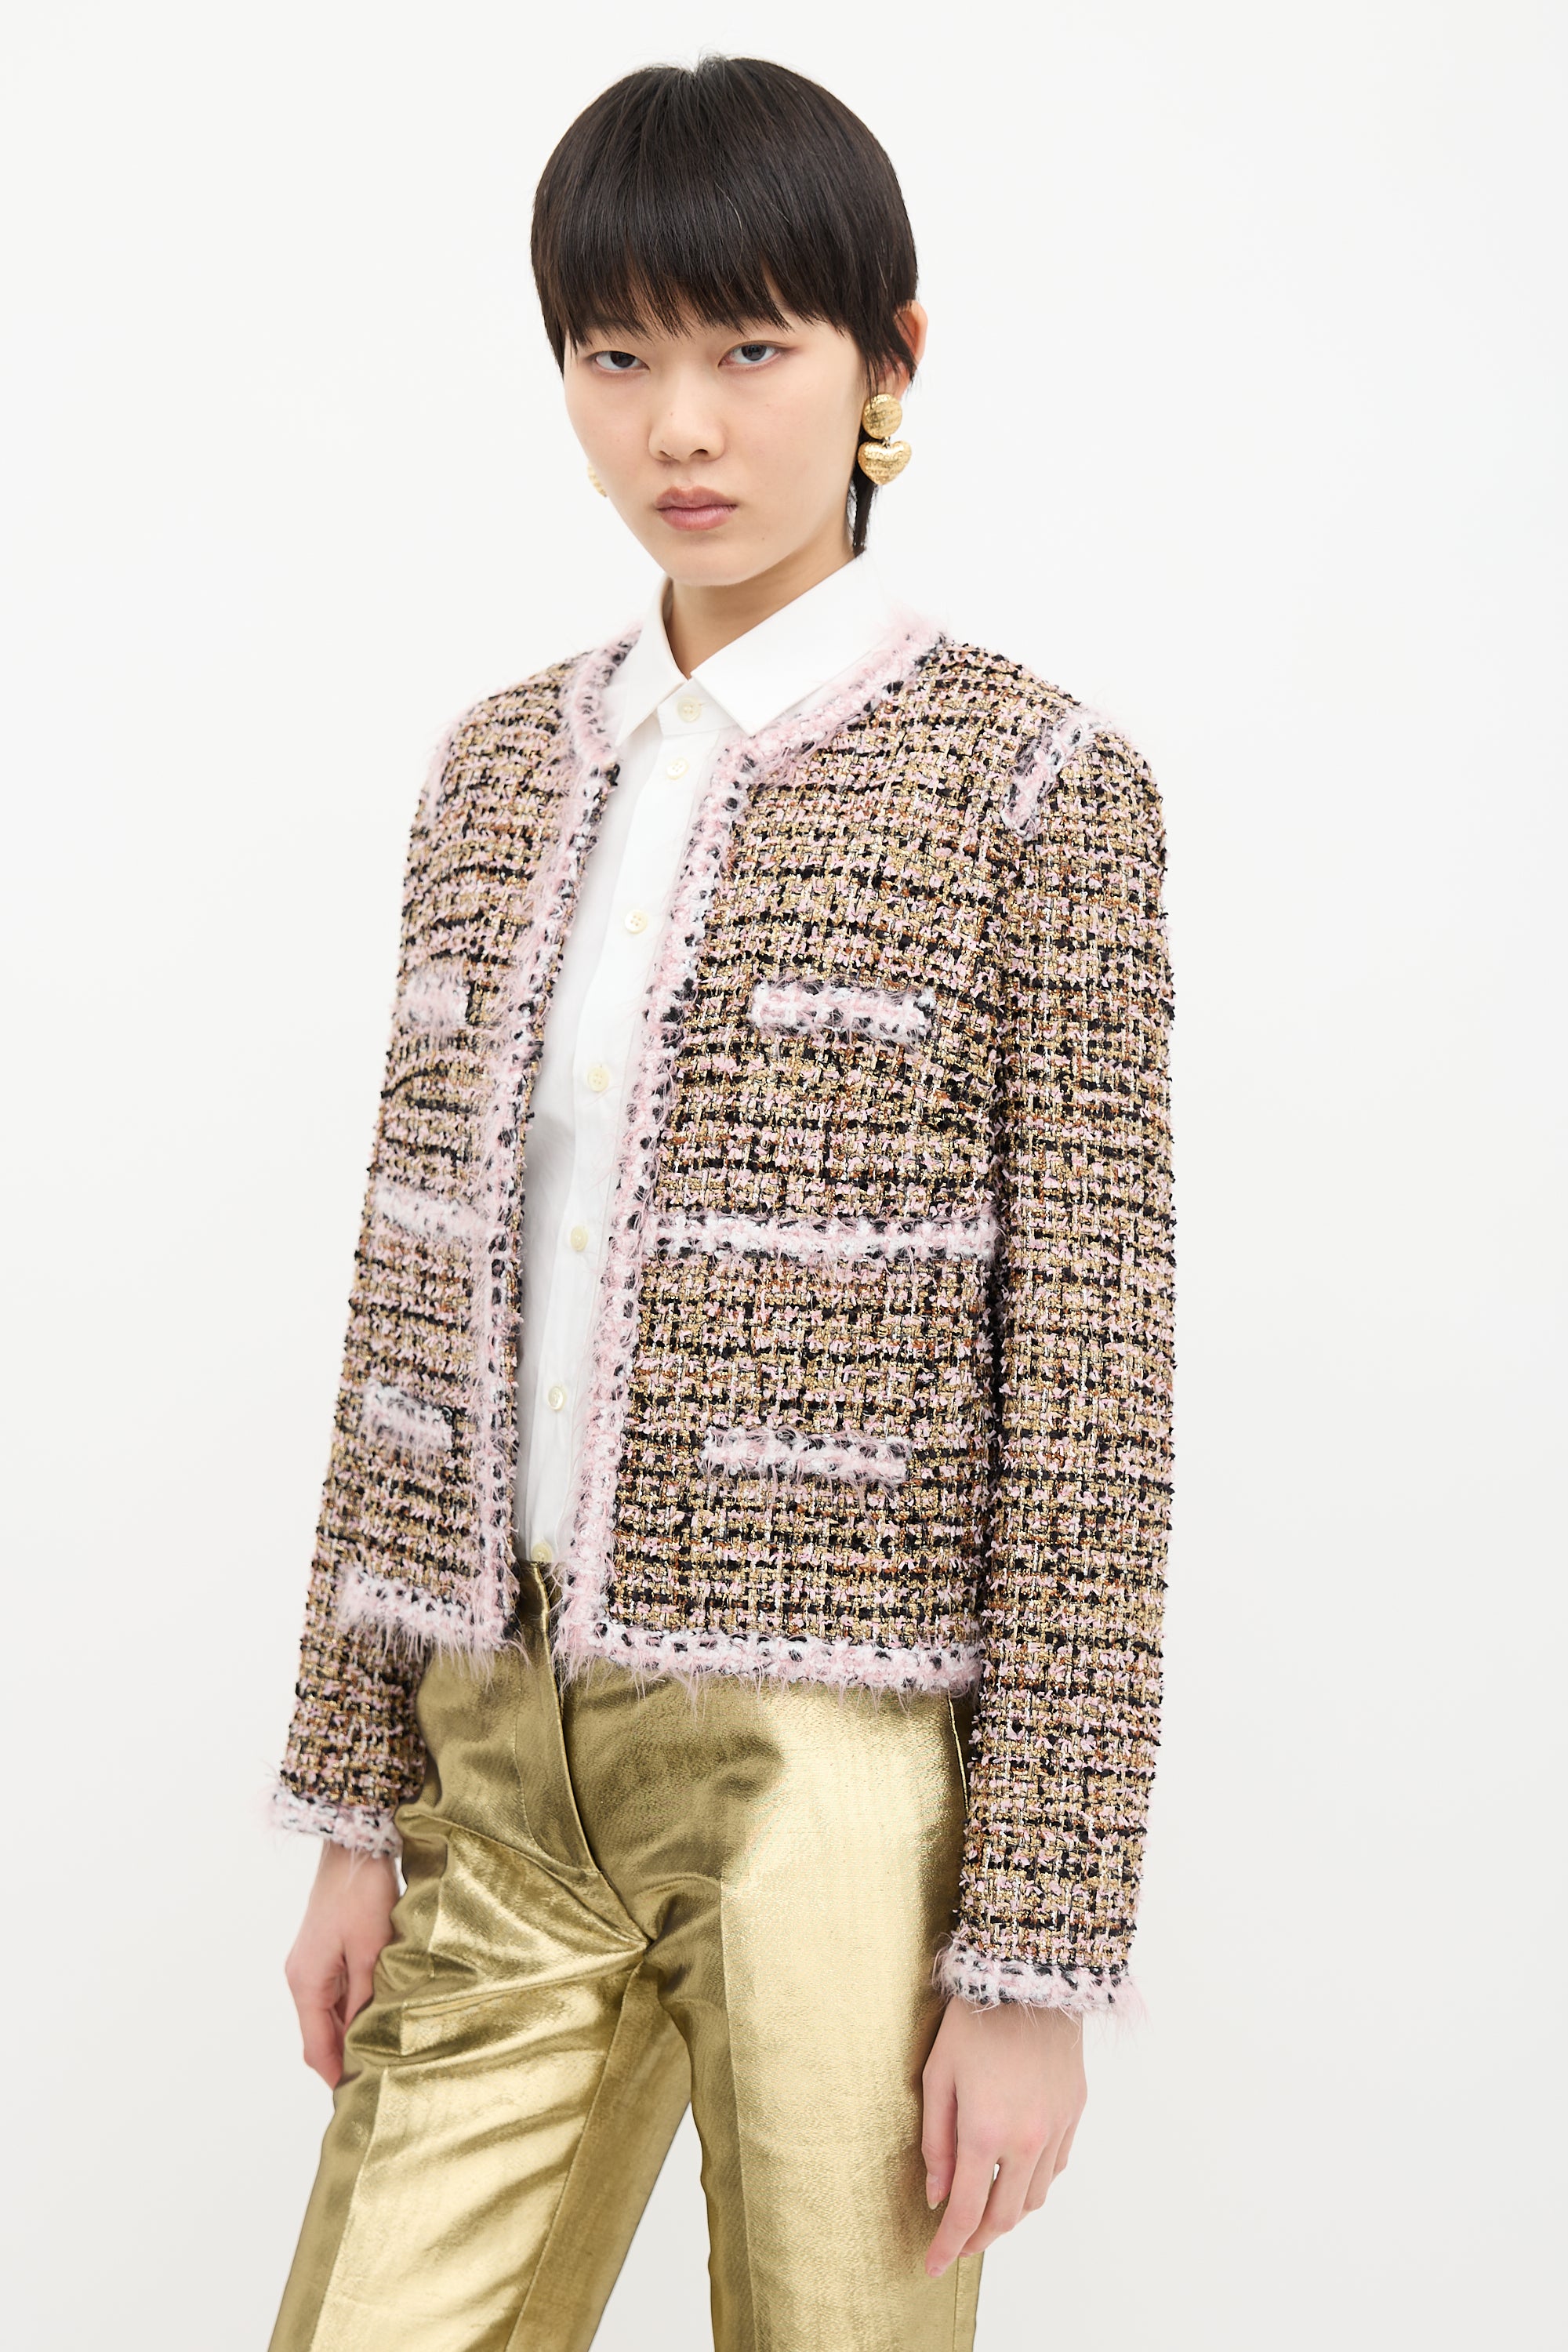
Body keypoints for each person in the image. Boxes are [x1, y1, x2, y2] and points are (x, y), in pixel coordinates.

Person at [267, 54, 1174, 2352]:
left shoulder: (1033, 788)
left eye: (752, 347)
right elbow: (407, 1323)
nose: (681, 426)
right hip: (495, 1740)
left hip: (831, 1775)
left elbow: (1091, 1400)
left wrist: (1034, 1960)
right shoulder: (493, 772)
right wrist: (360, 1805)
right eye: (617, 355)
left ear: (889, 361)